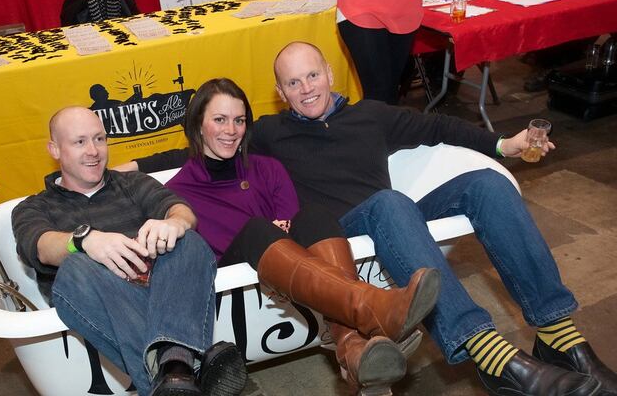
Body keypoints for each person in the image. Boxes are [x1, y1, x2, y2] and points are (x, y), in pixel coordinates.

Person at [120, 42, 617, 396]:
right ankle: (485, 349)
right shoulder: (270, 132)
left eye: (312, 75)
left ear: (330, 75)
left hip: (393, 222)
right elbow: (203, 142)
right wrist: (128, 167)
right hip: (337, 237)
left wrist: (502, 145)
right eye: (292, 83)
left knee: (486, 184)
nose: (306, 88)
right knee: (390, 202)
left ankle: (560, 334)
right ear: (280, 92)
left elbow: (439, 125)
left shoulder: (372, 116)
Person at [156, 77, 440, 393]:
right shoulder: (175, 193)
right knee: (257, 228)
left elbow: (294, 225)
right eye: (219, 120)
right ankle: (372, 306)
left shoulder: (268, 169)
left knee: (314, 214)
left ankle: (354, 351)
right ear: (198, 124)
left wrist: (281, 240)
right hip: (231, 278)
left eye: (239, 120)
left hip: (288, 268)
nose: (231, 130)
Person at [11, 106, 247, 396]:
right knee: (76, 267)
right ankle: (185, 363)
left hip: (162, 290)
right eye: (80, 142)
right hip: (99, 296)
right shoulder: (34, 206)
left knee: (189, 240)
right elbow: (39, 246)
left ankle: (175, 373)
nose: (93, 151)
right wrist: (84, 241)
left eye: (99, 139)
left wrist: (174, 222)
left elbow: (180, 210)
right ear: (55, 149)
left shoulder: (132, 183)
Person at [320, 0, 440, 104]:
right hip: (361, 7)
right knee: (378, 95)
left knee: (389, 93)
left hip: (404, 7)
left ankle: (385, 125)